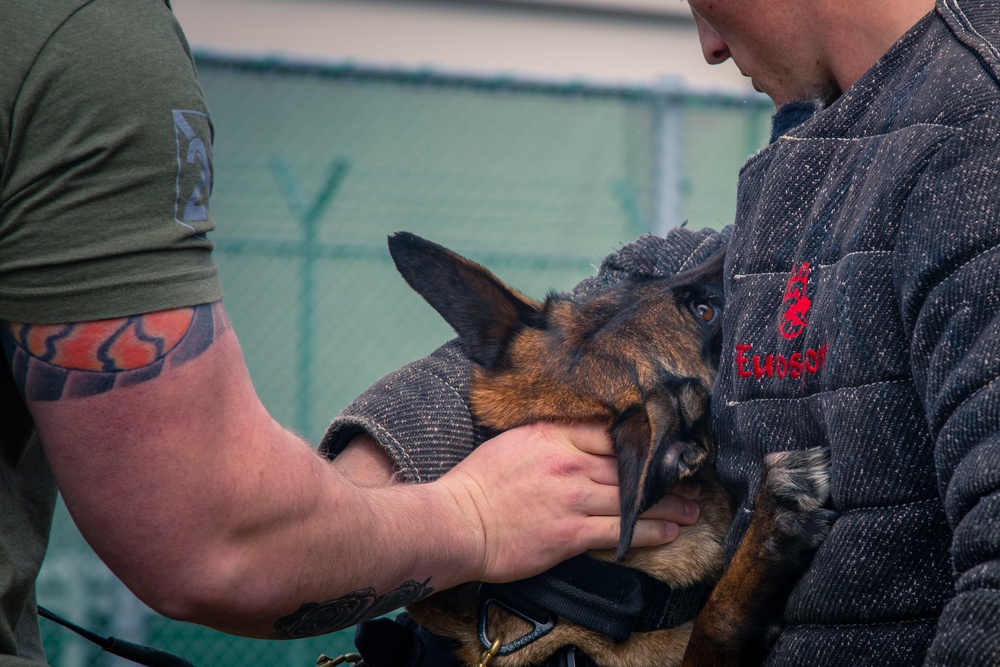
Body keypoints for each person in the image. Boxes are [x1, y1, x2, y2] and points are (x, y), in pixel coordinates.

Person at [0, 0, 702, 664]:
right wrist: (476, 515)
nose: (709, 45)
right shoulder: (82, 42)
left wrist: (362, 504)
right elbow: (219, 540)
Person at [327, 0, 1000, 664]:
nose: (707, 44)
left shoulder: (974, 140)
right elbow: (629, 296)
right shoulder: (835, 127)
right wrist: (396, 480)